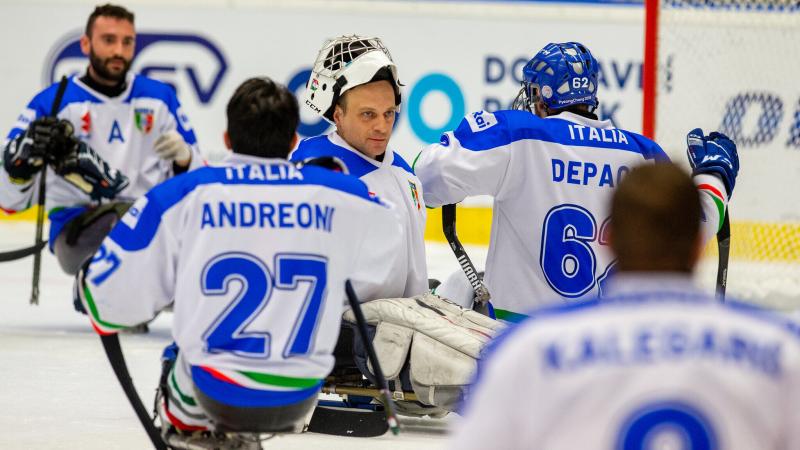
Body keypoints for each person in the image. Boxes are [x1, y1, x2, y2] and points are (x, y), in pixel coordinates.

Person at [76, 77, 405, 436]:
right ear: (293, 141)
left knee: (178, 354)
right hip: (302, 390)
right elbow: (387, 240)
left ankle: (193, 432)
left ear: (227, 140)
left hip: (217, 391)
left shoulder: (184, 193)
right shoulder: (341, 192)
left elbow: (106, 301)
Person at [450, 163, 800, 450]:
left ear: (609, 241)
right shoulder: (782, 350)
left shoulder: (526, 352)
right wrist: (713, 182)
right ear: (698, 245)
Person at [414, 42, 738, 320]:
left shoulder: (519, 134)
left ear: (541, 97)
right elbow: (694, 226)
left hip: (518, 340)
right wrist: (714, 177)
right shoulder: (643, 153)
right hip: (608, 347)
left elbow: (428, 179)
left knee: (454, 287)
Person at [0, 4, 202, 280]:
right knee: (129, 228)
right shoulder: (53, 102)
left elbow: (200, 182)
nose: (118, 51)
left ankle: (125, 300)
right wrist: (19, 168)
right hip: (78, 229)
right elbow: (8, 202)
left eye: (127, 42)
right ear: (85, 44)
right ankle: (108, 297)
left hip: (145, 219)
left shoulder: (160, 98)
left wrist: (185, 158)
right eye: (109, 40)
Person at [290, 35, 428, 300]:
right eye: (368, 114)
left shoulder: (403, 172)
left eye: (388, 113)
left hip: (400, 330)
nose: (381, 126)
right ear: (337, 115)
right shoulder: (315, 168)